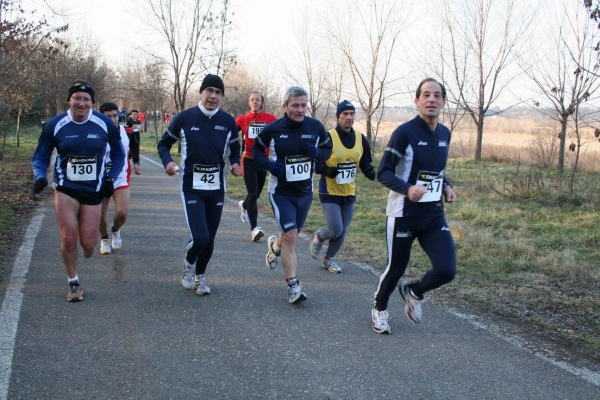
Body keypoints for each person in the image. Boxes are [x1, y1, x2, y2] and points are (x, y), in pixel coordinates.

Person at [371, 78, 457, 334]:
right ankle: (379, 310)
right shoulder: (404, 133)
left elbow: (435, 170)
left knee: (446, 270)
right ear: (417, 101)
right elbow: (383, 172)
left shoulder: (444, 133)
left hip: (432, 215)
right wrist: (407, 189)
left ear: (443, 101)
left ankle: (415, 291)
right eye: (426, 95)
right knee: (396, 267)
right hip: (403, 214)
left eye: (437, 95)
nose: (432, 99)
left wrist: (446, 186)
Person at [31, 80, 125, 301]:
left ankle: (87, 246)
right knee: (68, 237)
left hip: (93, 190)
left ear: (92, 102)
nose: (81, 103)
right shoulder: (55, 124)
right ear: (69, 100)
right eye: (77, 98)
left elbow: (120, 154)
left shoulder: (104, 123)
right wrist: (39, 176)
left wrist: (111, 176)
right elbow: (41, 155)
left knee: (88, 243)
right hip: (66, 188)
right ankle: (74, 283)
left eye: (86, 99)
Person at [157, 74, 242, 296]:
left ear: (222, 97)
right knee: (201, 237)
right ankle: (189, 263)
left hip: (216, 188)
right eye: (209, 91)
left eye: (218, 93)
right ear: (201, 92)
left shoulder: (228, 122)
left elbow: (234, 149)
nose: (213, 96)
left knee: (210, 239)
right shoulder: (185, 118)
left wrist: (235, 163)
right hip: (191, 186)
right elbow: (164, 144)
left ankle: (200, 276)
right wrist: (168, 162)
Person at [252, 86, 332, 304]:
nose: (300, 110)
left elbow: (327, 149)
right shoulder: (273, 129)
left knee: (290, 235)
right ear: (285, 106)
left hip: (305, 192)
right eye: (295, 105)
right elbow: (256, 150)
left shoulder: (315, 127)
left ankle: (274, 247)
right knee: (292, 237)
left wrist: (318, 154)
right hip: (281, 193)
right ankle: (293, 286)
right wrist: (269, 165)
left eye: (304, 105)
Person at [310, 100, 376, 273]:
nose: (348, 117)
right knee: (335, 228)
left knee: (343, 230)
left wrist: (370, 172)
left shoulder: (361, 139)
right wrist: (328, 170)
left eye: (351, 114)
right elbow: (316, 164)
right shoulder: (328, 137)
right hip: (329, 189)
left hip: (348, 190)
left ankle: (329, 259)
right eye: (345, 114)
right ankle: (319, 237)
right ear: (338, 116)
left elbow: (365, 162)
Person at [98, 102, 142, 255]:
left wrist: (136, 162)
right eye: (108, 116)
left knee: (122, 213)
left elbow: (135, 146)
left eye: (115, 115)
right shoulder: (95, 133)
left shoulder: (127, 131)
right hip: (101, 180)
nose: (112, 119)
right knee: (100, 216)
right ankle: (104, 239)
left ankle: (115, 230)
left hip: (121, 178)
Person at [236, 92, 277, 242]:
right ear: (249, 103)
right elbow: (230, 135)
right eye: (252, 99)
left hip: (263, 161)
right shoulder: (242, 119)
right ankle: (254, 229)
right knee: (253, 193)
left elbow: (280, 133)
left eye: (257, 100)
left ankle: (244, 205)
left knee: (256, 194)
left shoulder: (271, 119)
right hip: (248, 160)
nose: (254, 102)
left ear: (262, 103)